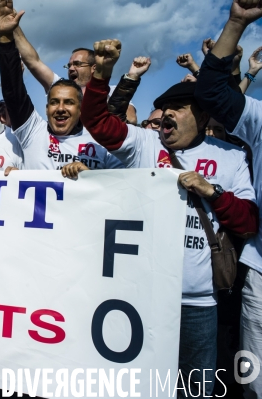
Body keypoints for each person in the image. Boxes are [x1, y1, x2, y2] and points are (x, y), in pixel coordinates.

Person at [81, 36, 259, 397]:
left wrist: (213, 193)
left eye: (179, 106)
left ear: (204, 115)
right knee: (136, 388)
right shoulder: (145, 145)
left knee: (195, 391)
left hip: (199, 304)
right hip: (141, 300)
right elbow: (98, 122)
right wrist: (103, 74)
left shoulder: (231, 156)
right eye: (165, 108)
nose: (167, 114)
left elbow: (248, 222)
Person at [194, 1, 262, 397]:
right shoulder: (258, 118)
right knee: (253, 384)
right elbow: (211, 91)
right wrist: (236, 22)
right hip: (260, 273)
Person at [0, 0, 122, 176]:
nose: (60, 109)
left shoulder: (100, 142)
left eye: (68, 102)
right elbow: (13, 92)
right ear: (46, 109)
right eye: (54, 102)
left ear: (81, 109)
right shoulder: (33, 132)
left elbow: (124, 185)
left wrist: (93, 176)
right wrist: (6, 38)